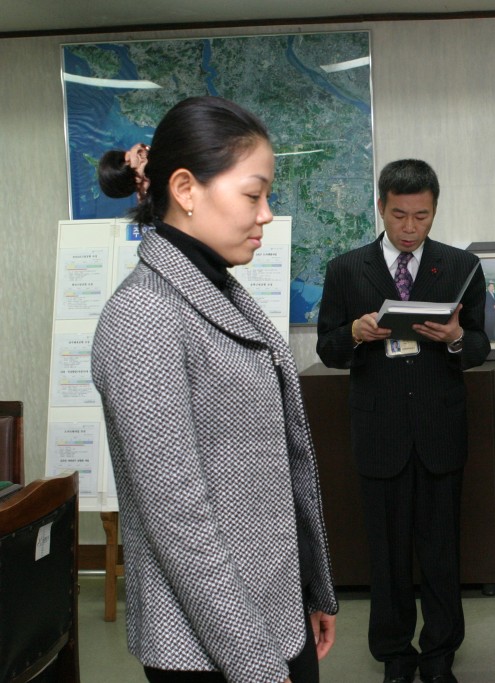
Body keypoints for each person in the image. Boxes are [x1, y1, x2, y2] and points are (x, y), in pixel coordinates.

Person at [90, 96, 338, 683]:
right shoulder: (145, 317)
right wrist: (255, 664)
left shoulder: (217, 290)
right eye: (254, 194)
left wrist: (308, 588)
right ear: (185, 188)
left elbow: (267, 473)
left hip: (274, 614)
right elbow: (179, 520)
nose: (267, 214)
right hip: (214, 647)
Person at [316, 159, 489, 683]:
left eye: (422, 216)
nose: (410, 228)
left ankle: (439, 654)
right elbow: (328, 349)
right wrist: (354, 332)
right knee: (386, 555)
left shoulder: (462, 267)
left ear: (435, 211)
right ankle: (394, 654)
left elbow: (479, 345)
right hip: (380, 430)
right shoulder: (347, 269)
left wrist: (456, 338)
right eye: (399, 215)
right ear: (380, 208)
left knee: (441, 553)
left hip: (439, 429)